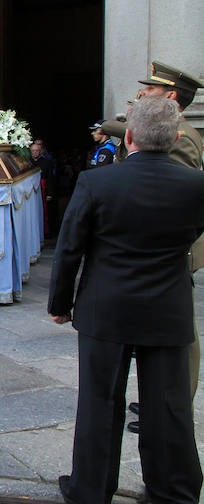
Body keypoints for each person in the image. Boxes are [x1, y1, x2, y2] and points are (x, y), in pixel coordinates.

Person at [49, 95, 204, 504]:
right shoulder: (195, 185)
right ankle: (174, 491)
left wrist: (60, 304)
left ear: (129, 136)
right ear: (173, 139)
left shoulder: (97, 181)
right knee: (170, 407)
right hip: (168, 308)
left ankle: (91, 490)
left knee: (99, 402)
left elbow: (69, 248)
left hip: (106, 306)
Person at [99, 61, 204, 433]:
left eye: (151, 90)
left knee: (178, 335)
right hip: (158, 247)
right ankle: (158, 401)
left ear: (171, 96)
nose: (142, 92)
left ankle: (172, 406)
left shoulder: (184, 137)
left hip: (168, 249)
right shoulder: (172, 131)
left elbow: (176, 197)